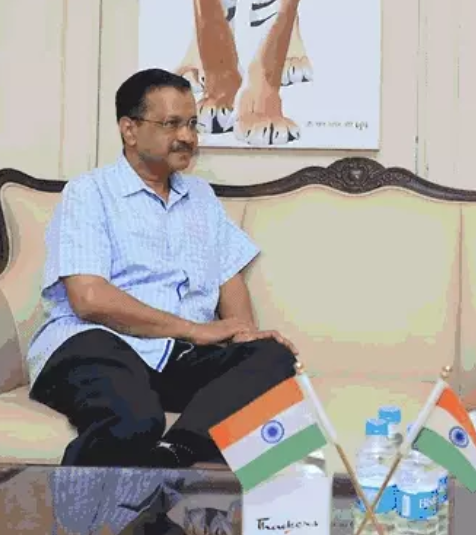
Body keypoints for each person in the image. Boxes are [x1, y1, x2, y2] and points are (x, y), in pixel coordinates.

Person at [27, 68, 298, 468]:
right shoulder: (89, 192)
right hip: (95, 345)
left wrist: (244, 336)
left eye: (192, 124)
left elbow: (229, 279)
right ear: (129, 129)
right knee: (135, 418)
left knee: (273, 356)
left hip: (178, 357)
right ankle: (78, 509)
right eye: (172, 123)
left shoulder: (201, 197)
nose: (188, 136)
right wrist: (194, 330)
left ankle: (174, 454)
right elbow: (89, 299)